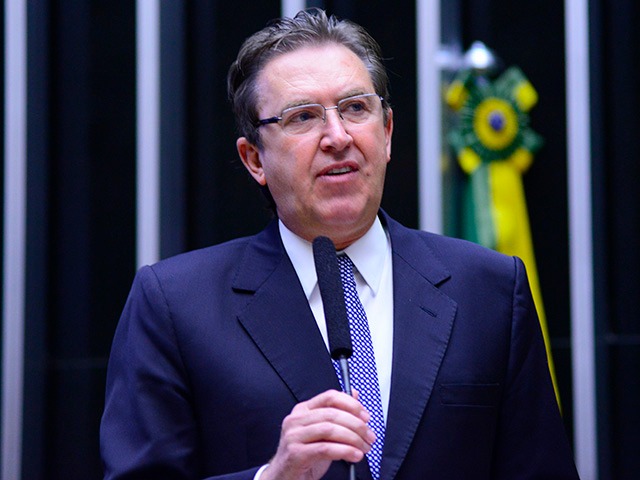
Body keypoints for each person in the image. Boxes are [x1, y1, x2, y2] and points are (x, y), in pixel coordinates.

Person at [100, 9, 580, 480]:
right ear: (254, 160)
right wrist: (273, 478)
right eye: (303, 116)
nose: (338, 136)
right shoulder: (176, 304)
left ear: (386, 132)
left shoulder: (489, 289)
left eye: (355, 108)